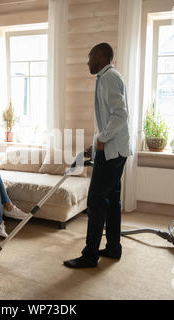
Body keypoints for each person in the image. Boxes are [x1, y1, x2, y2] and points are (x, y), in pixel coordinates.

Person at [64, 43, 132, 268]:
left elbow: (120, 115)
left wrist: (102, 139)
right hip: (114, 150)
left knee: (95, 201)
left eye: (90, 56)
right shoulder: (106, 77)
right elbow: (106, 119)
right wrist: (93, 144)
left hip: (112, 152)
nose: (88, 61)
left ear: (101, 56)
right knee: (111, 201)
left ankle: (90, 255)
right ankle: (113, 247)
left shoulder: (110, 77)